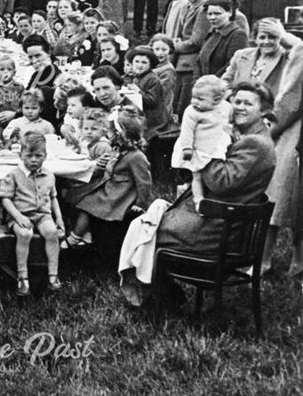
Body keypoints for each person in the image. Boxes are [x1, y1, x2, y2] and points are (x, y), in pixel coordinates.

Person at [120, 82, 276, 306]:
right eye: (237, 101)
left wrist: (203, 151)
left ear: (263, 110)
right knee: (145, 223)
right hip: (219, 218)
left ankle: (159, 296)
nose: (239, 107)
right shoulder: (249, 136)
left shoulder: (255, 144)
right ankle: (158, 292)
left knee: (145, 229)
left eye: (248, 103)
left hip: (219, 229)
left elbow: (222, 182)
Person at [62, 107, 151, 248]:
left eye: (111, 131)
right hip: (110, 187)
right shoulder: (117, 149)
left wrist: (141, 203)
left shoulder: (136, 157)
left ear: (121, 134)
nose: (108, 135)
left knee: (86, 205)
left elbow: (144, 183)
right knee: (76, 196)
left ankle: (74, 238)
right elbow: (108, 169)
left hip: (121, 194)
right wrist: (102, 163)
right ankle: (85, 234)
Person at [0, 132, 65, 296]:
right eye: (29, 155)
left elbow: (53, 198)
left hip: (43, 215)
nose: (34, 160)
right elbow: (5, 199)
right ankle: (22, 277)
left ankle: (53, 274)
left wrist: (59, 218)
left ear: (45, 155)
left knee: (51, 232)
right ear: (21, 155)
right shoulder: (14, 174)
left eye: (38, 156)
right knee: (25, 234)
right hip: (20, 215)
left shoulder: (49, 175)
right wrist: (18, 217)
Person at [267, 41, 303, 278]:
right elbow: (291, 99)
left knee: (284, 194)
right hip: (296, 131)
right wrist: (271, 129)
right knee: (281, 193)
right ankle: (264, 258)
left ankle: (298, 260)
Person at [172, 75, 231, 208]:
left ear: (216, 100)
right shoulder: (191, 111)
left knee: (212, 171)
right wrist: (187, 148)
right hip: (197, 146)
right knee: (197, 175)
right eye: (193, 97)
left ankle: (211, 194)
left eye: (200, 99)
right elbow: (186, 131)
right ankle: (199, 200)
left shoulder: (225, 107)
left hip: (216, 145)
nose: (194, 102)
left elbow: (229, 122)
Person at [221, 18, 299, 95]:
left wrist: (283, 34)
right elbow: (225, 82)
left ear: (280, 39)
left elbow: (300, 48)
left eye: (272, 37)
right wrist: (231, 97)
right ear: (255, 39)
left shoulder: (287, 57)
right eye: (262, 37)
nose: (266, 41)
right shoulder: (241, 55)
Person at [194, 0, 248, 78]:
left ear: (229, 13)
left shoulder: (237, 35)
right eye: (209, 14)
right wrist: (198, 81)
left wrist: (212, 82)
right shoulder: (211, 34)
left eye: (217, 14)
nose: (212, 18)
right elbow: (199, 61)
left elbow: (232, 64)